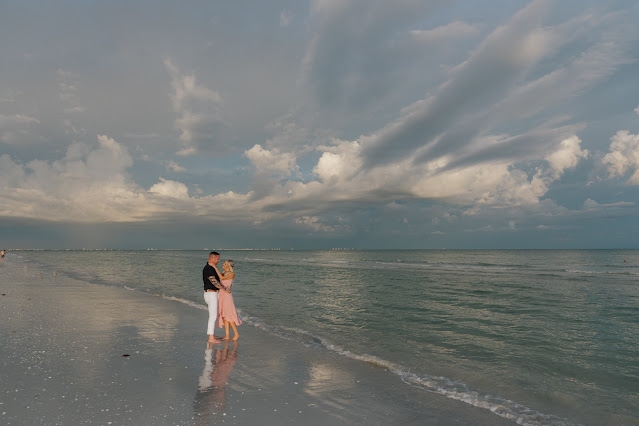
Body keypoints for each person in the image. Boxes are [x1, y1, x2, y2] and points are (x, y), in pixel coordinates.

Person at [212, 260, 241, 340]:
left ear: (229, 266)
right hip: (221, 295)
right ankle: (227, 335)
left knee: (229, 315)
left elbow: (221, 278)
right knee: (224, 315)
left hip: (227, 296)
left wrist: (214, 267)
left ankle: (236, 333)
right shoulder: (223, 273)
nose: (223, 264)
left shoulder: (231, 274)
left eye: (225, 264)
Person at [202, 251, 225, 343]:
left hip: (210, 293)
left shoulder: (210, 267)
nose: (218, 261)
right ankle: (211, 338)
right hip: (211, 293)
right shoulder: (209, 268)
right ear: (213, 258)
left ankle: (212, 334)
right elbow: (213, 280)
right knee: (213, 316)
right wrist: (224, 288)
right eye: (218, 259)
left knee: (213, 315)